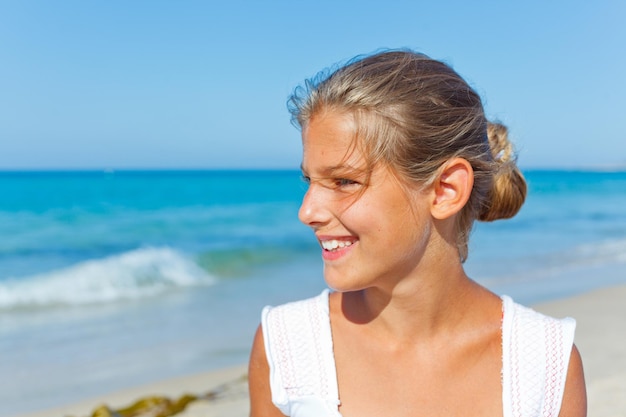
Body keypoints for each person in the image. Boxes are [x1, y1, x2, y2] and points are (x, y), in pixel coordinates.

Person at [248, 49, 586, 417]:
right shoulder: (287, 346)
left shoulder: (544, 365)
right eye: (310, 181)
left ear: (446, 191)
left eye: (344, 181)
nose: (307, 211)